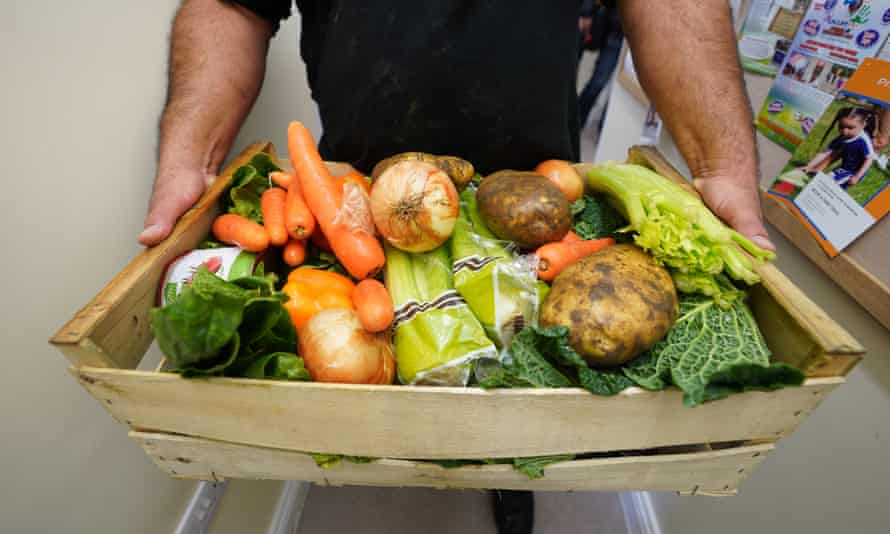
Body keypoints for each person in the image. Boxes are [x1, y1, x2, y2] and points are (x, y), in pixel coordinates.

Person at [137, 3, 774, 531]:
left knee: (522, 388)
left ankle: (510, 474)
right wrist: (191, 159)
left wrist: (721, 168)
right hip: (362, 196)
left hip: (532, 194)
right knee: (378, 388)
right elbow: (231, 5)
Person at [800, 107, 877, 188]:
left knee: (828, 186)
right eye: (841, 126)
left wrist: (857, 176)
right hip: (844, 168)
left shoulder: (863, 140)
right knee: (824, 181)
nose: (844, 131)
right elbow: (826, 152)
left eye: (850, 128)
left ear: (863, 125)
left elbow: (869, 159)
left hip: (854, 172)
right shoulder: (841, 137)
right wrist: (809, 166)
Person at [577, 0, 623, 133]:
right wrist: (587, 13)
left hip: (637, 41)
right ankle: (576, 121)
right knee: (598, 82)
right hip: (616, 33)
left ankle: (604, 129)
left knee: (620, 94)